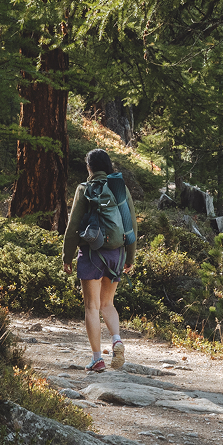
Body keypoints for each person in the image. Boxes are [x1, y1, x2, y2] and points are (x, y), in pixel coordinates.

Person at [62, 148, 136, 373]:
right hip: (116, 254)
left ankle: (97, 359)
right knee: (107, 304)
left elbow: (74, 226)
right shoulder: (120, 187)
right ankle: (116, 340)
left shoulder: (84, 189)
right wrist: (130, 257)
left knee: (92, 307)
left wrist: (67, 256)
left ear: (89, 168)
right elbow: (131, 224)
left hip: (92, 255)